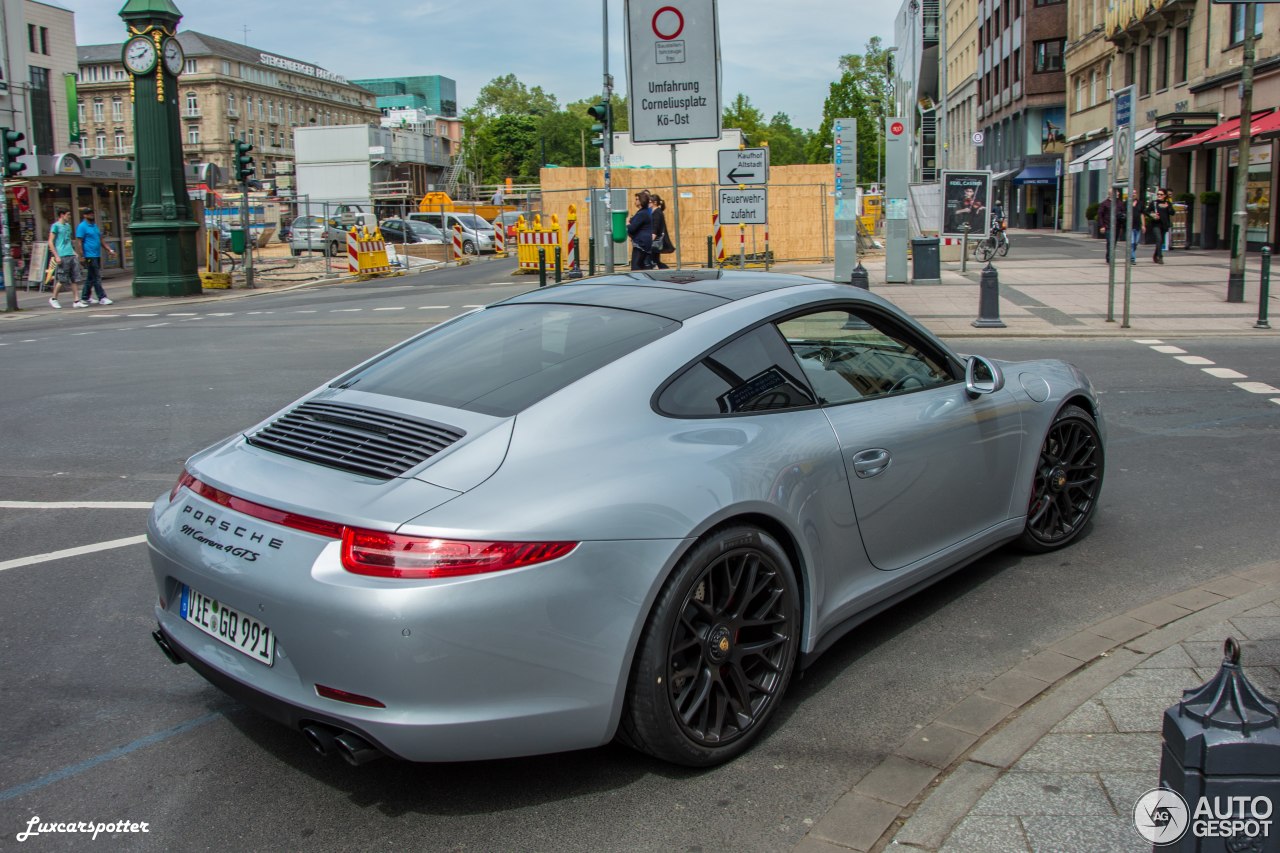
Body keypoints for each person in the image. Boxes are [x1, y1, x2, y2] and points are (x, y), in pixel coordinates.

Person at [74, 207, 116, 307]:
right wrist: (81, 255)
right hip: (89, 255)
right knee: (96, 277)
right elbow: (79, 242)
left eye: (92, 213)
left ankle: (85, 297)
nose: (92, 214)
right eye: (89, 213)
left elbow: (101, 240)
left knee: (91, 277)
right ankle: (102, 297)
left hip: (96, 254)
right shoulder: (82, 227)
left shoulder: (95, 226)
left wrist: (109, 250)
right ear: (84, 215)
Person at [47, 207, 80, 309]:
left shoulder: (68, 226)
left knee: (74, 278)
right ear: (62, 215)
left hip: (70, 254)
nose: (69, 217)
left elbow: (68, 240)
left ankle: (76, 300)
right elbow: (50, 242)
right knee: (62, 279)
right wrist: (56, 255)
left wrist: (74, 252)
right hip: (62, 254)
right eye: (68, 214)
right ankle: (53, 298)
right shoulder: (55, 226)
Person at [1097, 188, 1126, 264]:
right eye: (1116, 193)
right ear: (1111, 194)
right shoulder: (1104, 204)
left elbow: (1124, 213)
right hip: (1108, 226)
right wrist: (1102, 226)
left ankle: (1109, 255)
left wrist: (1122, 219)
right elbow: (1100, 215)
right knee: (1110, 242)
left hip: (1117, 226)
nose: (1118, 194)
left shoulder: (1120, 203)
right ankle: (1110, 258)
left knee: (1114, 242)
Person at [627, 190, 653, 270]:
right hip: (644, 243)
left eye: (637, 199)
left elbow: (632, 229)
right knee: (643, 267)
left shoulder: (642, 214)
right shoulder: (643, 212)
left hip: (641, 244)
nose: (635, 201)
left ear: (641, 201)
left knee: (635, 268)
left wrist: (627, 222)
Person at [1148, 189, 1172, 264]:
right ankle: (1160, 257)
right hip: (1156, 224)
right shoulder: (1154, 203)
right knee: (1159, 239)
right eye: (1158, 194)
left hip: (1164, 225)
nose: (1159, 195)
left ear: (1164, 195)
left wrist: (1168, 207)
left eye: (1161, 194)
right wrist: (1152, 215)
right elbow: (1146, 211)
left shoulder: (1167, 203)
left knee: (1160, 241)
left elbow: (1172, 213)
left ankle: (1155, 255)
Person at [649, 194, 671, 270]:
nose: (648, 204)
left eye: (649, 202)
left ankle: (664, 271)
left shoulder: (657, 213)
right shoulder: (656, 212)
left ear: (654, 202)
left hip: (656, 240)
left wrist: (650, 240)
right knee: (655, 260)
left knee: (653, 261)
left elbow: (655, 228)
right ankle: (664, 271)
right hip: (656, 240)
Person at [1129, 193, 1145, 264]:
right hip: (1130, 226)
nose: (1134, 194)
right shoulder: (1127, 203)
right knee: (1132, 243)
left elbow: (1142, 214)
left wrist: (1143, 225)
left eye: (1135, 193)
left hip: (1138, 226)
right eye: (1133, 193)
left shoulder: (1140, 203)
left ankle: (1131, 254)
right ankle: (1132, 258)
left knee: (1135, 243)